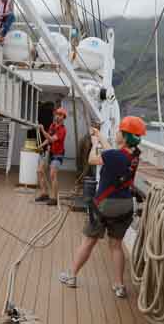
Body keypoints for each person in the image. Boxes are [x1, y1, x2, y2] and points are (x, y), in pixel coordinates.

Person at [59, 116, 147, 299]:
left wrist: (93, 143)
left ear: (124, 135)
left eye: (118, 131)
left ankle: (72, 276)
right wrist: (100, 136)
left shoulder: (113, 156)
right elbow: (113, 153)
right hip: (125, 206)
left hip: (105, 206)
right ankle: (119, 286)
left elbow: (92, 160)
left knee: (89, 241)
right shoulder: (133, 156)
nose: (116, 133)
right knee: (116, 246)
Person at [34, 107, 67, 206]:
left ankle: (54, 198)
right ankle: (44, 193)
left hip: (57, 155)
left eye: (60, 115)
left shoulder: (63, 130)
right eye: (57, 114)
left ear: (63, 117)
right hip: (50, 152)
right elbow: (48, 139)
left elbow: (51, 139)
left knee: (52, 174)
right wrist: (41, 146)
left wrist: (43, 130)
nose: (58, 116)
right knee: (39, 171)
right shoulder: (52, 126)